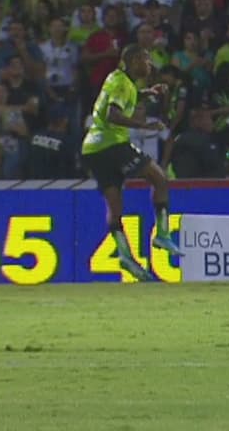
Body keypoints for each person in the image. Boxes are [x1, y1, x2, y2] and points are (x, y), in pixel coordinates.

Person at [80, 44, 184, 281]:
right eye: (147, 60)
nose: (150, 65)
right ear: (135, 60)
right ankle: (163, 234)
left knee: (114, 207)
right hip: (113, 145)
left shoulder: (118, 79)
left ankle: (125, 255)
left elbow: (123, 98)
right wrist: (144, 125)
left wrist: (147, 93)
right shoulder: (121, 83)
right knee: (159, 179)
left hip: (92, 149)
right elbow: (113, 114)